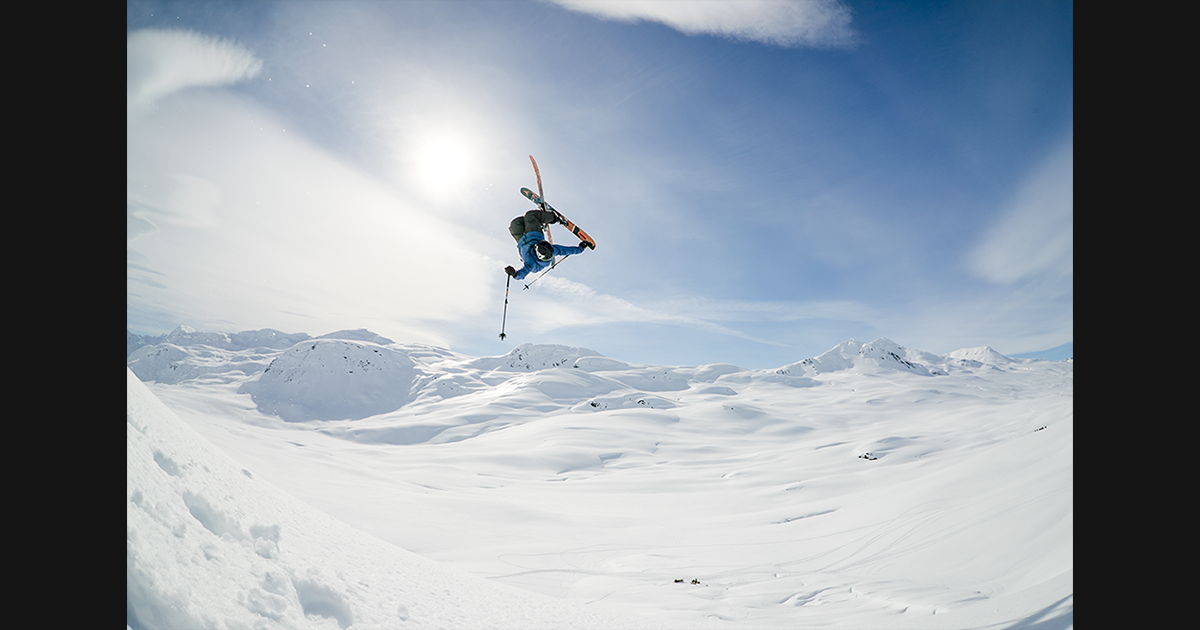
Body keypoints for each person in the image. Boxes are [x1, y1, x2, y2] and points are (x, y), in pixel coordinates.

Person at [504, 208, 593, 280]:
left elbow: (522, 273)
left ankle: (539, 220)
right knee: (530, 216)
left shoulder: (531, 263)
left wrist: (515, 274)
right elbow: (565, 250)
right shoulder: (552, 250)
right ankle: (554, 217)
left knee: (515, 224)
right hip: (534, 234)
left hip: (521, 241)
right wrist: (580, 248)